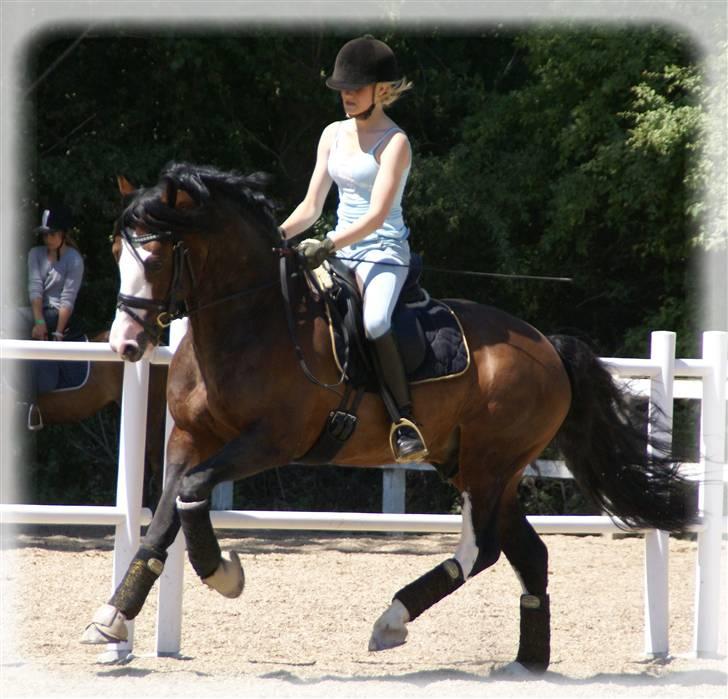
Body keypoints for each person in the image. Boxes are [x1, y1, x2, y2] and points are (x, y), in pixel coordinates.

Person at [279, 36, 427, 463]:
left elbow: (379, 214)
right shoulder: (332, 134)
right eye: (343, 88)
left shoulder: (394, 142)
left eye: (355, 88)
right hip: (338, 250)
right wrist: (277, 236)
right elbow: (311, 206)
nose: (346, 95)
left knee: (377, 320)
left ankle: (404, 422)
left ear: (381, 90)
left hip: (382, 253)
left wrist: (326, 244)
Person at [16, 204, 85, 429]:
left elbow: (68, 299)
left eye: (52, 234)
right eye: (45, 234)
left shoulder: (74, 260)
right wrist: (38, 322)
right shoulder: (35, 254)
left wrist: (56, 332)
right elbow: (34, 288)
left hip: (59, 315)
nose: (47, 239)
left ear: (64, 234)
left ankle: (29, 402)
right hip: (39, 312)